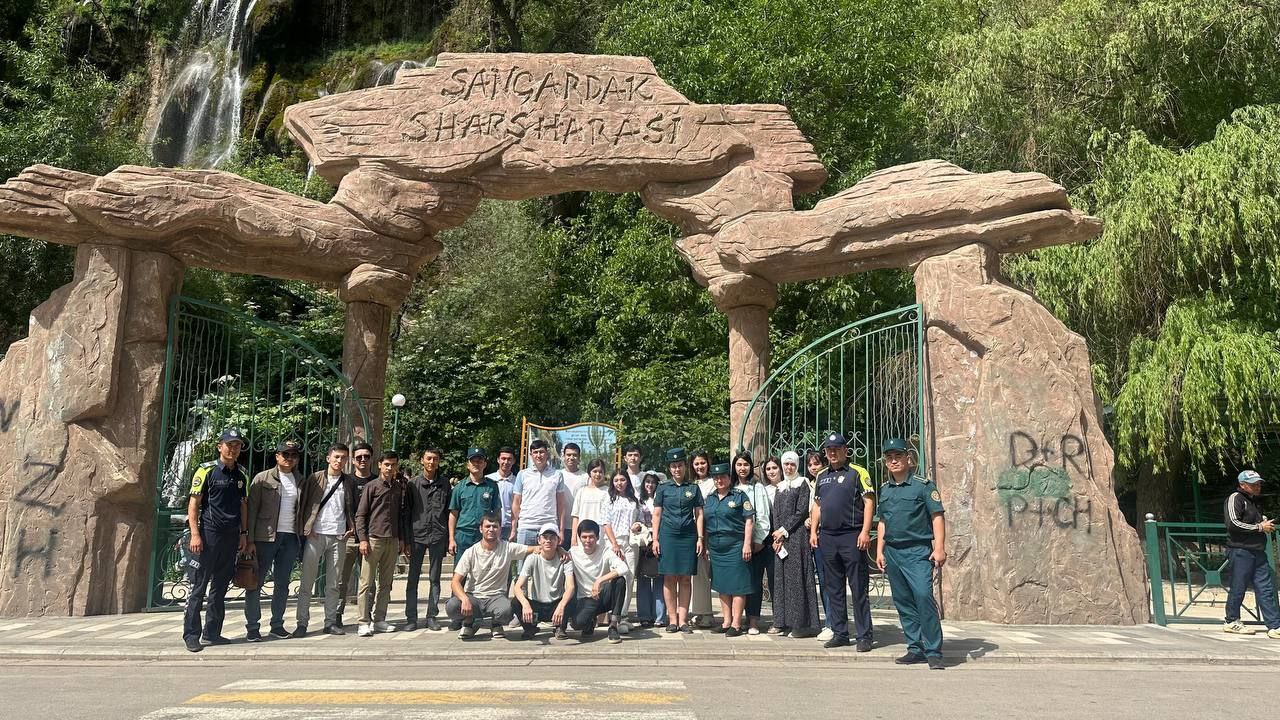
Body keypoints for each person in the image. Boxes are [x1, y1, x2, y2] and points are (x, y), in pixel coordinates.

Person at [876, 438, 948, 668]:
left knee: (923, 596)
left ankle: (933, 650)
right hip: (894, 552)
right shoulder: (885, 489)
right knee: (904, 601)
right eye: (889, 457)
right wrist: (880, 550)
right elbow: (883, 522)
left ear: (908, 459)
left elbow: (937, 516)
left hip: (917, 551)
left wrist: (939, 547)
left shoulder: (923, 485)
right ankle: (915, 647)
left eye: (898, 456)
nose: (894, 461)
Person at [182, 429, 249, 652]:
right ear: (220, 446)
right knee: (198, 587)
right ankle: (192, 635)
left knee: (220, 588)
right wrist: (195, 534)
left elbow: (243, 506)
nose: (233, 449)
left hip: (231, 536)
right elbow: (194, 504)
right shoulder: (206, 470)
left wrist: (243, 533)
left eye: (237, 445)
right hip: (208, 535)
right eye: (229, 444)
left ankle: (213, 633)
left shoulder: (242, 474)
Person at [809, 432, 875, 650]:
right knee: (833, 587)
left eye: (837, 449)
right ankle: (840, 632)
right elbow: (817, 505)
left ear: (846, 450)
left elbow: (868, 503)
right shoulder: (821, 476)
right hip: (828, 537)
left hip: (851, 536)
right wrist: (813, 531)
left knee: (858, 588)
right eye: (829, 449)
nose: (832, 453)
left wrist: (865, 531)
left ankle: (864, 635)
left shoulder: (858, 472)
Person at [244, 439, 305, 641]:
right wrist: (250, 539)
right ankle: (253, 627)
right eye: (285, 454)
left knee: (282, 583)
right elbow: (251, 510)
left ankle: (277, 625)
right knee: (255, 582)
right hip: (265, 537)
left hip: (290, 537)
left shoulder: (301, 480)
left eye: (293, 455)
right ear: (277, 456)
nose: (289, 458)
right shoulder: (262, 479)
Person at [446, 513, 542, 639]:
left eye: (495, 526)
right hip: (474, 597)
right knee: (452, 606)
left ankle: (496, 624)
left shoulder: (507, 548)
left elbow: (536, 549)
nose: (491, 529)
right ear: (481, 529)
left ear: (500, 529)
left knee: (507, 610)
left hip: (496, 598)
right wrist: (464, 599)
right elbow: (455, 582)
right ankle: (469, 622)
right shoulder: (471, 552)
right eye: (487, 526)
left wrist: (560, 550)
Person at [296, 443, 357, 637]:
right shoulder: (315, 479)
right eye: (337, 457)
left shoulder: (349, 482)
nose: (340, 461)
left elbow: (352, 507)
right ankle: (302, 623)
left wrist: (351, 527)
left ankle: (330, 622)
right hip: (316, 535)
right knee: (307, 581)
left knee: (333, 584)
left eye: (343, 458)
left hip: (338, 536)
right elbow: (303, 504)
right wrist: (305, 528)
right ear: (328, 458)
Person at [769, 450, 821, 637]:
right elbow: (775, 512)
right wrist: (777, 535)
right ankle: (781, 621)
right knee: (780, 580)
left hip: (796, 537)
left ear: (797, 465)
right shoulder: (780, 486)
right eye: (786, 464)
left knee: (797, 580)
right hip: (781, 540)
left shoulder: (802, 484)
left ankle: (800, 624)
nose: (789, 467)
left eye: (792, 464)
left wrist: (784, 530)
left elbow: (800, 512)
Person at [1222, 469, 1280, 638]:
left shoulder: (1255, 501)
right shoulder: (1235, 498)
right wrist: (1259, 527)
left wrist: (1261, 524)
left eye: (1259, 483)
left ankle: (1274, 626)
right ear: (1242, 484)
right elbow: (1232, 524)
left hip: (1257, 551)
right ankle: (1231, 621)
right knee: (1238, 587)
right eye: (1254, 484)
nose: (1258, 486)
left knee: (1266, 588)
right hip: (1240, 550)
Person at [355, 451, 406, 637]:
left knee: (386, 583)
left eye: (393, 464)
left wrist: (401, 539)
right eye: (386, 464)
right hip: (373, 540)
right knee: (365, 583)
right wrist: (363, 539)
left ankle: (380, 619)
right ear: (379, 465)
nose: (389, 468)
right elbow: (360, 515)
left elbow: (400, 515)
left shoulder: (398, 487)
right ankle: (363, 621)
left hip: (391, 540)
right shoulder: (371, 486)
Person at [653, 447, 704, 633]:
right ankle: (672, 619)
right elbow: (657, 514)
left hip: (688, 536)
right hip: (668, 536)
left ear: (685, 466)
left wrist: (700, 538)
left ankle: (683, 620)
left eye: (680, 465)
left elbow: (699, 514)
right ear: (669, 468)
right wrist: (655, 539)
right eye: (673, 466)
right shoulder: (663, 488)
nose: (677, 469)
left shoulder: (693, 488)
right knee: (669, 578)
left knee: (685, 578)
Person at [402, 447, 452, 631]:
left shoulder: (445, 484)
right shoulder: (412, 485)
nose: (431, 462)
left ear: (439, 462)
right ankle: (411, 618)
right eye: (429, 458)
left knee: (435, 578)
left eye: (435, 459)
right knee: (412, 578)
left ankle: (432, 616)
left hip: (437, 536)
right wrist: (406, 539)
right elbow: (406, 513)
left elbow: (448, 512)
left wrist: (448, 539)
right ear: (422, 460)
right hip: (417, 536)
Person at [704, 462, 754, 637]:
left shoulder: (740, 496)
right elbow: (704, 522)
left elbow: (749, 520)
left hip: (735, 545)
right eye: (716, 478)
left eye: (723, 477)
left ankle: (737, 623)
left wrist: (747, 543)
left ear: (729, 478)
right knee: (722, 585)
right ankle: (726, 622)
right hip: (716, 547)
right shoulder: (709, 499)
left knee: (738, 586)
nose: (719, 480)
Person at [569, 519, 633, 643]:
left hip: (603, 596)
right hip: (585, 599)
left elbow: (624, 568)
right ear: (579, 538)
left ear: (598, 537)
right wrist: (561, 551)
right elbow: (557, 554)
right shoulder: (573, 553)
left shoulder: (605, 551)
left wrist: (600, 581)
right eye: (584, 537)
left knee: (620, 580)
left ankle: (613, 625)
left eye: (591, 537)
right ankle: (590, 621)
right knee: (577, 624)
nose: (588, 541)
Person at [335, 440, 375, 629]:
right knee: (341, 578)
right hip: (349, 536)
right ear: (353, 460)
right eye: (359, 457)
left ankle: (367, 614)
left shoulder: (376, 481)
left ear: (371, 459)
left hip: (370, 536)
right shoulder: (345, 480)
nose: (363, 460)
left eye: (366, 456)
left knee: (368, 580)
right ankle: (336, 614)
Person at [734, 451, 773, 634]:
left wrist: (757, 540)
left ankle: (753, 621)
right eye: (739, 465)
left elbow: (763, 516)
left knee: (754, 583)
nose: (742, 468)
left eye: (746, 465)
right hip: (734, 542)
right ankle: (735, 619)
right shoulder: (731, 485)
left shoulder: (757, 487)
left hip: (755, 544)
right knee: (737, 583)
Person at [514, 524, 575, 640]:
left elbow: (571, 587)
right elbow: (517, 587)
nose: (548, 540)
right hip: (537, 604)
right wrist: (525, 604)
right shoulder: (532, 558)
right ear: (539, 540)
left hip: (556, 603)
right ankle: (529, 627)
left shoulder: (565, 559)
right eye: (545, 537)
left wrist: (561, 606)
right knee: (516, 602)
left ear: (558, 540)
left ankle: (560, 627)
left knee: (571, 599)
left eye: (552, 537)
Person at [602, 467, 641, 631]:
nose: (619, 483)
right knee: (616, 578)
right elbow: (606, 524)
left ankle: (624, 616)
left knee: (629, 577)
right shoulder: (608, 499)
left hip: (630, 542)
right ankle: (613, 615)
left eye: (622, 480)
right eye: (616, 480)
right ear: (612, 482)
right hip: (613, 542)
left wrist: (637, 526)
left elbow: (638, 519)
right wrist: (615, 544)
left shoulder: (634, 499)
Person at [510, 439, 568, 546]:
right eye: (535, 452)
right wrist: (513, 529)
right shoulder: (522, 475)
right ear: (531, 455)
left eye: (541, 452)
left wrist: (561, 530)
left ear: (547, 454)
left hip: (549, 527)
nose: (539, 455)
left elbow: (561, 504)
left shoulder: (557, 475)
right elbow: (516, 503)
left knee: (547, 562)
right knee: (523, 562)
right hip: (526, 527)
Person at [449, 447, 502, 561]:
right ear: (468, 464)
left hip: (484, 534)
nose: (476, 464)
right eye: (473, 461)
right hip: (463, 535)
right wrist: (451, 539)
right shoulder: (459, 487)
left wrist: (497, 533)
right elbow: (453, 514)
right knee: (460, 573)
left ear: (485, 464)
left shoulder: (492, 486)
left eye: (480, 461)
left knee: (483, 573)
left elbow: (497, 512)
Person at [806, 449, 834, 641]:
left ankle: (834, 622)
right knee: (823, 580)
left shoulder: (828, 481)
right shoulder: (808, 484)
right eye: (810, 464)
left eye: (816, 463)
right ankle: (829, 621)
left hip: (831, 534)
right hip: (815, 536)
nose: (813, 468)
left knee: (832, 581)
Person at [635, 472, 667, 628]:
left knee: (660, 580)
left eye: (653, 482)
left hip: (659, 542)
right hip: (643, 543)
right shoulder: (638, 501)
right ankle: (644, 616)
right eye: (647, 482)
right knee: (643, 580)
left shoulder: (662, 500)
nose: (650, 485)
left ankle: (660, 617)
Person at [689, 449, 716, 628]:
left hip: (710, 532)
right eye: (697, 463)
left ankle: (708, 613)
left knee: (706, 574)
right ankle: (699, 611)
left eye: (703, 462)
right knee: (697, 575)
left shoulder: (714, 483)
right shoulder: (690, 484)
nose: (700, 466)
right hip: (692, 533)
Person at [571, 459, 610, 544]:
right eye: (594, 471)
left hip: (601, 538)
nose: (597, 474)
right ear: (589, 473)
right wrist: (574, 538)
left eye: (600, 471)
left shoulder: (608, 492)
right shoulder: (581, 491)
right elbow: (575, 516)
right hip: (583, 536)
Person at [560, 442, 589, 549]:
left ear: (579, 458)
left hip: (579, 526)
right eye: (568, 455)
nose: (571, 458)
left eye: (574, 455)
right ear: (563, 457)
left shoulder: (586, 477)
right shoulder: (557, 475)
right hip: (561, 526)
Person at [487, 446, 518, 539]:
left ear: (513, 461)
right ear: (498, 460)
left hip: (510, 527)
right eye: (503, 459)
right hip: (491, 526)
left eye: (509, 459)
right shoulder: (488, 480)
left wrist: (514, 528)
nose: (506, 462)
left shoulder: (518, 482)